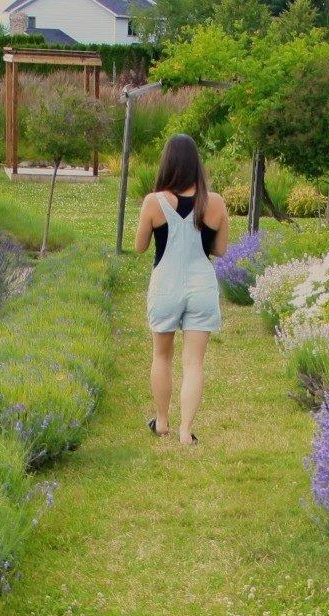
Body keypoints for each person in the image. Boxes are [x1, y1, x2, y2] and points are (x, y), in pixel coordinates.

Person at [134, 133, 228, 446]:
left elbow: (139, 246)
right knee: (194, 363)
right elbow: (221, 250)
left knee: (162, 355)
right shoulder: (214, 203)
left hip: (166, 284)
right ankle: (186, 431)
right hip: (201, 285)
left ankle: (162, 422)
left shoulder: (153, 201)